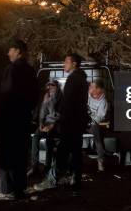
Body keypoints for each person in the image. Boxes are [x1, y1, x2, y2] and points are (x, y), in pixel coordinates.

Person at [35, 53, 90, 191]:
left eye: (66, 62)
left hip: (71, 122)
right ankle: (75, 179)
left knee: (62, 152)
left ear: (74, 64)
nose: (63, 64)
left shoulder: (73, 79)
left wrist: (57, 123)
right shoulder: (82, 79)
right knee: (76, 152)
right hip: (78, 121)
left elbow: (68, 104)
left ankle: (52, 180)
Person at [0, 39, 37, 201]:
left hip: (10, 119)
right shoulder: (30, 71)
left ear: (18, 51)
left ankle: (6, 191)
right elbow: (34, 97)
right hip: (23, 119)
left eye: (10, 50)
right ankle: (20, 189)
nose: (8, 53)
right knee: (20, 155)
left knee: (6, 155)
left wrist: (0, 117)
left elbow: (6, 95)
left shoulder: (12, 70)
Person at [29, 80, 62, 176]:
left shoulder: (61, 98)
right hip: (46, 123)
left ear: (57, 87)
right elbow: (42, 112)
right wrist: (41, 123)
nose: (50, 87)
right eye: (49, 86)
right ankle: (34, 166)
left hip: (56, 124)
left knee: (49, 139)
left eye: (52, 85)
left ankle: (47, 167)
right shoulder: (46, 97)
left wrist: (52, 125)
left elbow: (61, 115)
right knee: (35, 137)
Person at [87, 78, 108, 172]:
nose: (89, 88)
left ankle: (100, 160)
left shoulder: (103, 102)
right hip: (84, 122)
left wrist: (89, 118)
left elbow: (99, 118)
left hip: (93, 124)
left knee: (97, 134)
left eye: (92, 86)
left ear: (98, 89)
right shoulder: (87, 96)